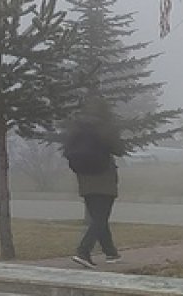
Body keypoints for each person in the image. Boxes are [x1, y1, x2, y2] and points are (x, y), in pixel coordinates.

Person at [63, 98, 123, 269]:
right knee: (100, 217)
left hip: (84, 177)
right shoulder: (105, 127)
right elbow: (119, 149)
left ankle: (111, 252)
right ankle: (83, 251)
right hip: (104, 176)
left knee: (98, 217)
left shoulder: (76, 126)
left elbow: (67, 150)